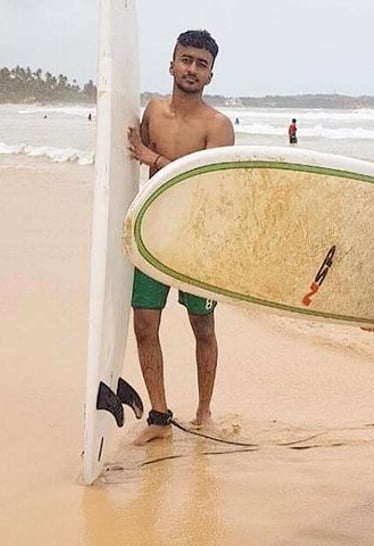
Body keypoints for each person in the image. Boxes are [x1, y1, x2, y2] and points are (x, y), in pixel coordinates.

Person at [127, 29, 234, 445]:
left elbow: (202, 184)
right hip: (153, 232)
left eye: (201, 64)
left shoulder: (218, 125)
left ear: (210, 75)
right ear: (171, 64)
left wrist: (152, 157)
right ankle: (159, 417)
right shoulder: (153, 110)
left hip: (197, 239)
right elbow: (128, 160)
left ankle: (204, 412)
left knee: (202, 326)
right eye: (186, 60)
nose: (192, 69)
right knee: (144, 323)